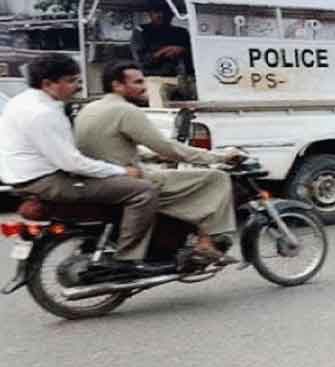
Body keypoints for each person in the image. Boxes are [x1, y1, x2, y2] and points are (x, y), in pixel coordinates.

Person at [0, 53, 158, 271]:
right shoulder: (43, 113)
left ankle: (102, 241)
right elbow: (72, 163)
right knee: (143, 191)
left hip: (23, 178)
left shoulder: (22, 101)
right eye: (71, 81)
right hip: (48, 181)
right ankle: (127, 259)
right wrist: (121, 170)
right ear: (48, 84)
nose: (78, 86)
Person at [74, 60, 243, 263]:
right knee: (216, 178)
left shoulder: (89, 108)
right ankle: (206, 243)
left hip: (102, 180)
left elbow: (110, 145)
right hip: (132, 181)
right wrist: (218, 156)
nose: (144, 87)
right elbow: (167, 147)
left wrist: (150, 156)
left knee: (179, 179)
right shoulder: (125, 111)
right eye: (137, 82)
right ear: (117, 85)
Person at [130, 0, 193, 105]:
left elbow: (194, 58)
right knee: (159, 104)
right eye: (156, 12)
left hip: (182, 79)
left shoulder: (181, 33)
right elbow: (142, 61)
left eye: (165, 12)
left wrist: (183, 50)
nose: (161, 15)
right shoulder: (142, 31)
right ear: (150, 14)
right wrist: (164, 51)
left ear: (172, 14)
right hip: (153, 79)